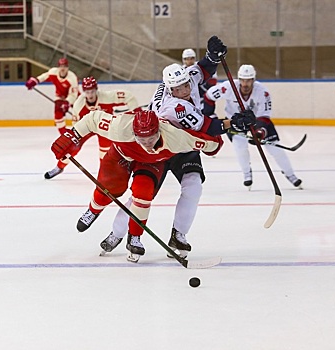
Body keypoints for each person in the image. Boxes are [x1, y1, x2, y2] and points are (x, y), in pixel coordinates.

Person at [100, 36, 251, 259]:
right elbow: (208, 127)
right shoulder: (174, 107)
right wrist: (234, 122)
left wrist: (212, 56)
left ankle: (178, 234)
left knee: (193, 185)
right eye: (178, 88)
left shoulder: (185, 78)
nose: (185, 89)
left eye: (186, 84)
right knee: (143, 194)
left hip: (185, 144)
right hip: (161, 147)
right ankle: (118, 233)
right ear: (170, 89)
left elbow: (201, 69)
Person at [50, 109, 253, 262]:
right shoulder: (120, 126)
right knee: (110, 188)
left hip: (151, 162)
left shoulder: (176, 138)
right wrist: (70, 136)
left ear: (159, 131)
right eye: (141, 138)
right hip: (121, 155)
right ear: (133, 132)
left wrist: (223, 135)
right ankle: (93, 210)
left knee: (143, 193)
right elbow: (92, 119)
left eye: (151, 138)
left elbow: (210, 144)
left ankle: (135, 237)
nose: (146, 143)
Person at [204, 64, 303, 189]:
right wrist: (210, 115)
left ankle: (290, 175)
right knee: (240, 147)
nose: (245, 84)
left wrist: (260, 132)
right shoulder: (228, 87)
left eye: (249, 80)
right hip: (235, 122)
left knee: (275, 150)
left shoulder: (263, 92)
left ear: (254, 80)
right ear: (239, 79)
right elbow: (208, 96)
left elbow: (264, 116)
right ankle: (247, 174)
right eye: (243, 80)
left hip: (258, 122)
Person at [43, 76, 141, 179]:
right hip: (87, 127)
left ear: (96, 90)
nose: (90, 95)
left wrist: (136, 111)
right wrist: (74, 139)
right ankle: (59, 167)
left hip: (105, 126)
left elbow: (129, 97)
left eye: (92, 91)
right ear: (84, 91)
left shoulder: (107, 96)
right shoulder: (78, 105)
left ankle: (104, 175)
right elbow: (76, 126)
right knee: (71, 148)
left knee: (105, 152)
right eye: (87, 92)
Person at [25, 57, 79, 135]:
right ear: (58, 67)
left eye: (64, 66)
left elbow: (73, 95)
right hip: (60, 96)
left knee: (79, 112)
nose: (62, 68)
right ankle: (64, 135)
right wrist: (35, 81)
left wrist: (67, 102)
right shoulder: (53, 72)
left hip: (73, 96)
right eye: (61, 66)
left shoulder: (72, 78)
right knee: (58, 114)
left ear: (68, 68)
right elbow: (45, 76)